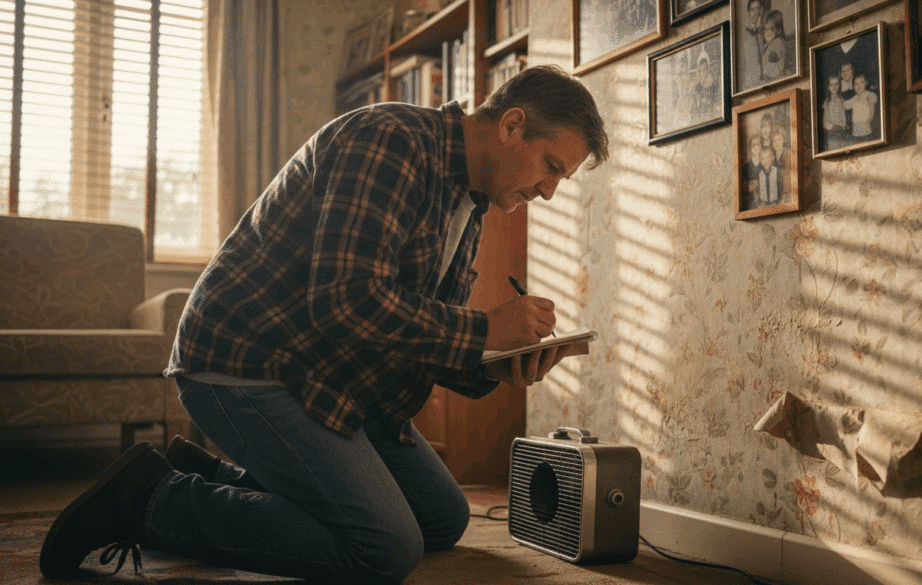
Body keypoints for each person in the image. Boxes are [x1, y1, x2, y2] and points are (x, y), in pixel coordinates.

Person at [39, 64, 609, 584]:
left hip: (327, 375)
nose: (548, 191)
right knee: (385, 548)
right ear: (512, 125)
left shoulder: (470, 201)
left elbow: (410, 336)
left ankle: (219, 482)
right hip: (245, 361)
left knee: (441, 517)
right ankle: (149, 500)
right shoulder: (390, 141)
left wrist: (499, 365)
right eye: (551, 166)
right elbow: (345, 300)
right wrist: (484, 330)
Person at [740, 0, 768, 90]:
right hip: (750, 84)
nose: (756, 13)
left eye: (758, 9)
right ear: (748, 12)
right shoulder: (743, 36)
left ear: (761, 10)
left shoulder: (766, 33)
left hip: (766, 82)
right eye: (752, 10)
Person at [844, 73, 878, 140]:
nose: (859, 86)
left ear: (866, 83)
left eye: (861, 83)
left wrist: (869, 121)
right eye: (856, 84)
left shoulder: (870, 95)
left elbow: (872, 112)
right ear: (853, 86)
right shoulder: (854, 98)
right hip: (855, 133)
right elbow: (845, 106)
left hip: (867, 131)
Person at [821, 74, 848, 151]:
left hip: (840, 131)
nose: (834, 87)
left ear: (839, 85)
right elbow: (825, 121)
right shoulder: (827, 102)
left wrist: (841, 126)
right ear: (828, 87)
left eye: (836, 84)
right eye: (831, 85)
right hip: (831, 132)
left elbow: (843, 118)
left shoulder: (842, 100)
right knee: (833, 149)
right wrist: (831, 127)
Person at [760, 9, 787, 82]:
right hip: (769, 78)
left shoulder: (777, 43)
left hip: (776, 79)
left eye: (771, 29)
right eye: (766, 29)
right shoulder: (769, 45)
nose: (767, 33)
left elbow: (773, 60)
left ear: (779, 30)